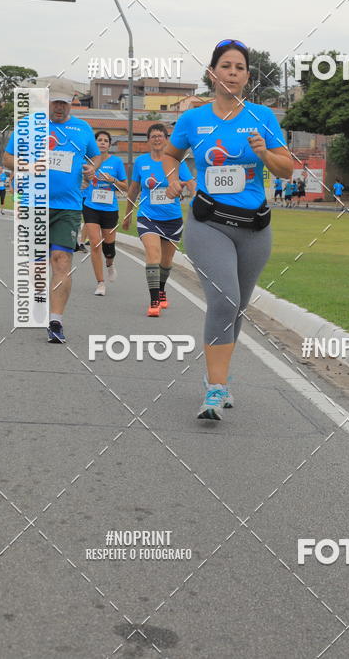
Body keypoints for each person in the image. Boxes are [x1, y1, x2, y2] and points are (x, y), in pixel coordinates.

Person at [163, 38, 293, 420]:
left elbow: (287, 168)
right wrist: (175, 178)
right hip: (209, 224)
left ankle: (218, 377)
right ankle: (215, 389)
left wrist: (264, 153)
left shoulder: (262, 116)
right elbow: (170, 155)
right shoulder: (193, 119)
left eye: (239, 68)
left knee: (236, 307)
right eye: (226, 66)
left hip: (254, 228)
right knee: (224, 300)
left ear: (247, 77)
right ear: (212, 73)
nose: (232, 73)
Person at [4, 82, 103, 343]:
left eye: (64, 103)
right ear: (47, 101)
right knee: (37, 267)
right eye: (55, 102)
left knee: (61, 260)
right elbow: (7, 158)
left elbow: (95, 156)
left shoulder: (82, 128)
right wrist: (29, 165)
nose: (59, 107)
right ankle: (38, 298)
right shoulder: (28, 125)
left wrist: (92, 168)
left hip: (68, 206)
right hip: (33, 203)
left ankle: (55, 321)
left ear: (71, 103)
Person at [123, 123, 195, 316]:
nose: (156, 139)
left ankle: (161, 290)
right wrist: (128, 214)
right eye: (153, 136)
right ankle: (154, 301)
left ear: (166, 139)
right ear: (148, 140)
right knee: (153, 254)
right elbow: (134, 189)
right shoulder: (141, 162)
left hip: (172, 218)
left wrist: (195, 194)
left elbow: (190, 182)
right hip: (148, 217)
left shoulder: (176, 162)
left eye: (160, 136)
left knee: (166, 262)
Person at [82, 131, 127, 296]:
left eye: (105, 140)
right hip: (91, 206)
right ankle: (100, 283)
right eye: (99, 140)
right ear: (95, 143)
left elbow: (126, 187)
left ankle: (110, 263)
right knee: (95, 244)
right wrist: (84, 181)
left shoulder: (116, 162)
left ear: (109, 144)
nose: (102, 142)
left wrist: (112, 180)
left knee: (109, 248)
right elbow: (81, 181)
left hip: (110, 209)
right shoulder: (88, 161)